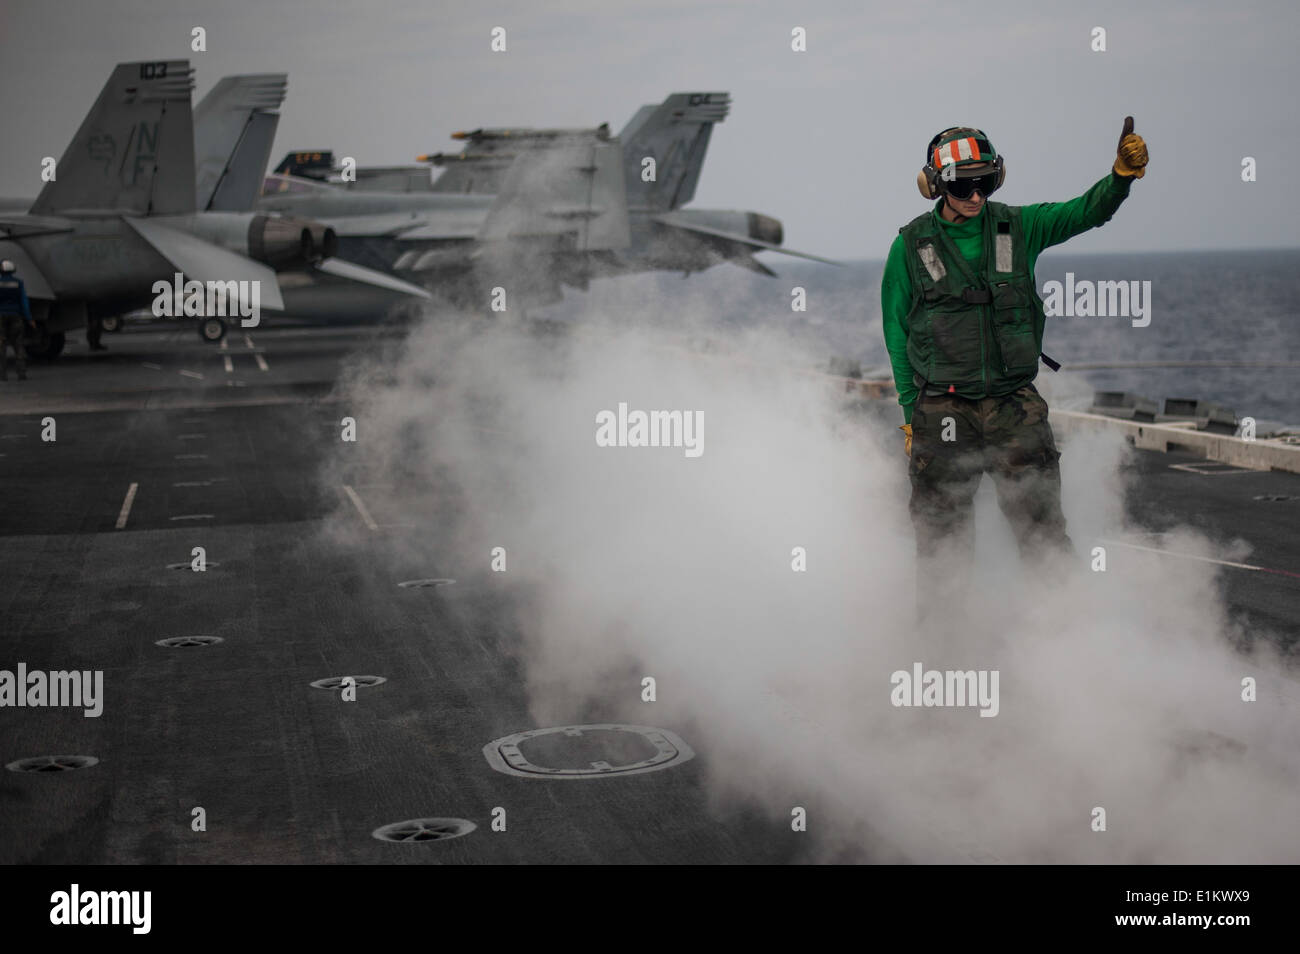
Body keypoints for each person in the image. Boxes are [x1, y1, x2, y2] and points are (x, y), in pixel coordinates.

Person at [880, 119, 1148, 584]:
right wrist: (909, 413)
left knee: (1043, 535)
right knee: (942, 545)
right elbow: (895, 332)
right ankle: (943, 647)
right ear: (936, 185)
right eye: (964, 184)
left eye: (985, 181)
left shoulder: (1021, 226)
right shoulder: (909, 246)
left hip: (1014, 406)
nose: (977, 195)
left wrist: (1120, 178)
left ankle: (1064, 639)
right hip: (942, 408)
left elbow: (1087, 212)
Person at [0, 259, 35, 381]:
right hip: (16, 317)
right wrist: (29, 318)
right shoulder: (19, 283)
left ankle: (2, 375)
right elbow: (24, 302)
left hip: (1, 318)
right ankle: (21, 373)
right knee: (18, 345)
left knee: (1, 346)